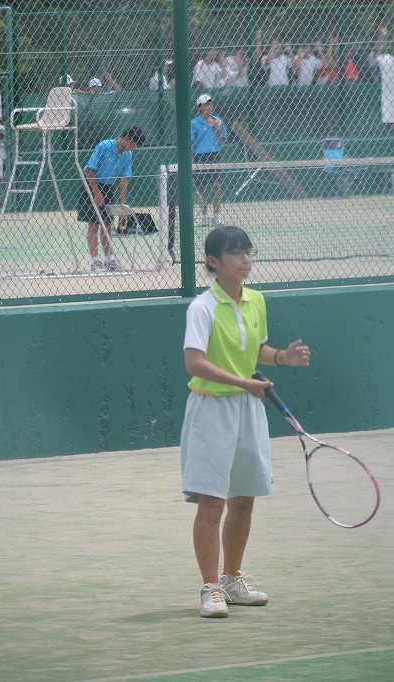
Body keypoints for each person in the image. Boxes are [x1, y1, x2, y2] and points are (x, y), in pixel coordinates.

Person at [181, 225, 310, 618]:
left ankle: (232, 579)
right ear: (213, 261)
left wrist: (282, 357)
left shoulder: (256, 301)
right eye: (236, 253)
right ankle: (210, 589)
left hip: (248, 409)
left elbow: (255, 350)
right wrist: (243, 383)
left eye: (249, 252)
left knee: (243, 500)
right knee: (212, 502)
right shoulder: (201, 308)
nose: (246, 259)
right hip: (211, 410)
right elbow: (194, 362)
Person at [76, 125, 146, 273]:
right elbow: (89, 169)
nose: (134, 149)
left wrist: (121, 205)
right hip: (92, 184)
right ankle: (95, 262)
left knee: (107, 224)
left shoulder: (127, 155)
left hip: (108, 187)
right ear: (127, 139)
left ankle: (109, 260)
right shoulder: (104, 146)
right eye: (134, 145)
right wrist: (96, 193)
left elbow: (124, 178)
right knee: (94, 224)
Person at [191, 94, 227, 226]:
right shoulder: (194, 123)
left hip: (215, 156)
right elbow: (191, 142)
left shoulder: (218, 121)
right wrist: (192, 160)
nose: (210, 106)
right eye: (206, 104)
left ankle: (216, 216)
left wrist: (217, 128)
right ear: (200, 107)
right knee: (201, 188)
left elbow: (222, 142)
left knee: (217, 186)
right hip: (199, 157)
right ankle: (204, 216)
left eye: (211, 104)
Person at [368, 27, 393, 124]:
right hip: (378, 89)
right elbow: (377, 50)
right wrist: (382, 36)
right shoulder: (372, 56)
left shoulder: (389, 57)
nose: (382, 44)